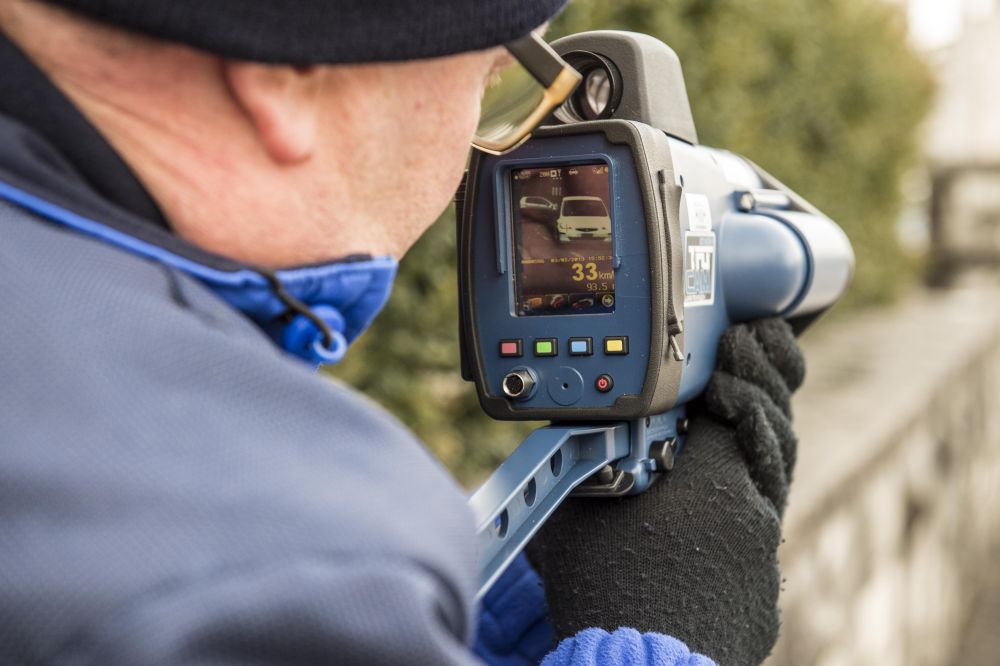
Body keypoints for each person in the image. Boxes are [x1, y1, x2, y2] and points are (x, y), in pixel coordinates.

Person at [0, 1, 804, 664]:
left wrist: (513, 597)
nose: (473, 150)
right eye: (493, 81)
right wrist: (664, 645)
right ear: (286, 71)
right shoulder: (275, 562)